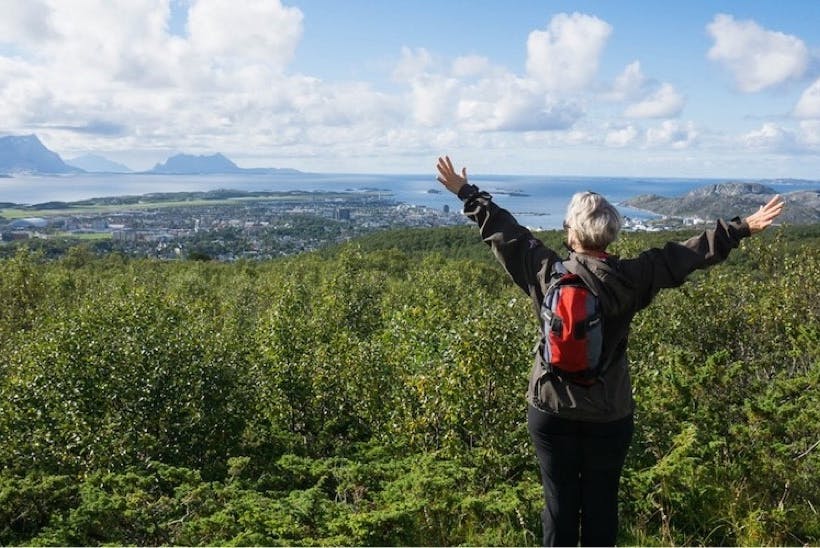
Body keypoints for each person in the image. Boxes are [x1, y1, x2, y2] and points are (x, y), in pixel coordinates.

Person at [435, 155, 785, 547]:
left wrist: (466, 192)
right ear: (611, 235)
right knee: (602, 506)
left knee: (558, 507)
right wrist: (741, 229)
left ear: (571, 233)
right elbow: (685, 255)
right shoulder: (633, 277)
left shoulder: (547, 273)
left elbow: (505, 232)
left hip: (550, 408)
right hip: (608, 413)